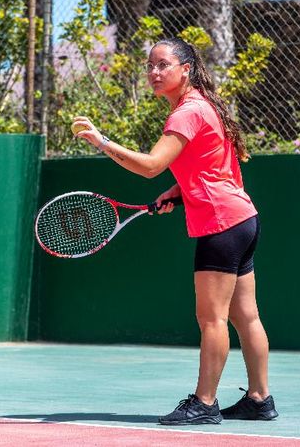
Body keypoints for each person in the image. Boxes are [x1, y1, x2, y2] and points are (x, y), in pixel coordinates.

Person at [72, 37, 276, 426]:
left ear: (186, 69)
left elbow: (150, 165)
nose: (154, 72)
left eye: (163, 65)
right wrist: (179, 192)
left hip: (220, 224)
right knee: (246, 317)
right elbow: (220, 170)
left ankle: (204, 402)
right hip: (243, 219)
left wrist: (103, 142)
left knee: (212, 319)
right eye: (150, 65)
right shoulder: (207, 106)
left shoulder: (185, 113)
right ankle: (259, 399)